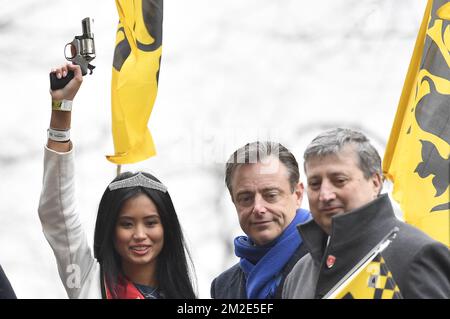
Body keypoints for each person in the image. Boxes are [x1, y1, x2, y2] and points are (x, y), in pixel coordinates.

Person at [38, 63, 196, 299]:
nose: (140, 234)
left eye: (151, 223)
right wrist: (62, 108)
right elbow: (57, 214)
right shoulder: (88, 281)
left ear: (167, 228)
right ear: (110, 229)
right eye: (127, 224)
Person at [282, 128, 450, 299]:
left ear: (375, 182)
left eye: (339, 180)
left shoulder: (415, 254)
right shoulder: (298, 275)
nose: (325, 195)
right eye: (315, 184)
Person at [210, 141, 311, 299]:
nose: (258, 208)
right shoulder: (223, 287)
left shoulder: (328, 256)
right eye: (246, 198)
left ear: (297, 194)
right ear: (233, 201)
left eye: (271, 195)